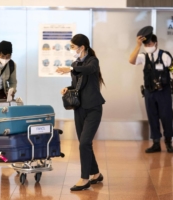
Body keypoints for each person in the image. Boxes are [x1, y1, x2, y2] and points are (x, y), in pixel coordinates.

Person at [57, 34, 105, 191]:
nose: (71, 50)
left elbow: (89, 69)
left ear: (82, 47)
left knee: (84, 143)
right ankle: (96, 174)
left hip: (93, 108)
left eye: (72, 47)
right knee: (85, 143)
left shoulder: (92, 61)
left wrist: (70, 68)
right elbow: (76, 85)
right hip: (79, 108)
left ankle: (85, 179)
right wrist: (68, 89)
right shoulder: (75, 63)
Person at [129, 26, 173, 153]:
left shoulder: (165, 55)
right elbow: (131, 60)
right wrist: (138, 45)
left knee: (166, 116)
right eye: (146, 44)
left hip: (163, 92)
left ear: (156, 43)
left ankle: (168, 142)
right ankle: (156, 143)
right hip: (149, 92)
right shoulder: (143, 56)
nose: (148, 46)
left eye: (150, 43)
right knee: (152, 117)